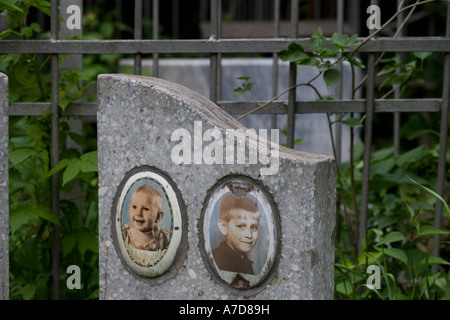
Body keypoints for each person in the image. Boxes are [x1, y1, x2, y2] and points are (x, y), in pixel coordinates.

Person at [212, 194, 260, 275]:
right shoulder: (217, 259)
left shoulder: (244, 260)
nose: (249, 235)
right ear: (223, 227)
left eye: (254, 227)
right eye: (241, 226)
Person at [122, 184, 170, 251]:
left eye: (146, 209)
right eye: (134, 207)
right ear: (129, 209)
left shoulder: (164, 238)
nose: (138, 213)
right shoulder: (124, 234)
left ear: (159, 216)